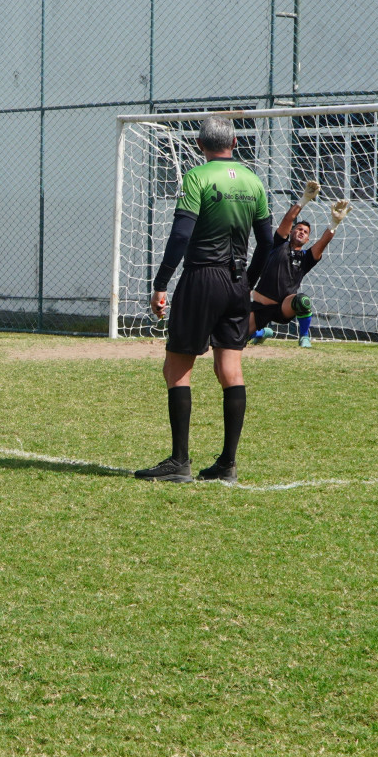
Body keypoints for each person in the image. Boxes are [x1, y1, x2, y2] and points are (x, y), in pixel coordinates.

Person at [135, 116, 273, 485]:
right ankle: (227, 464)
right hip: (237, 283)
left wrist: (161, 284)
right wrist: (248, 281)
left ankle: (180, 462)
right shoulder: (253, 181)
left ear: (200, 145)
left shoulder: (197, 177)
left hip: (201, 278)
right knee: (230, 371)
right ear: (235, 144)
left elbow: (181, 235)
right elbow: (267, 242)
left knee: (176, 369)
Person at [249, 189, 350, 349]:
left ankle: (304, 337)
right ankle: (261, 333)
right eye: (299, 229)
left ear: (307, 239)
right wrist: (304, 199)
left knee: (303, 301)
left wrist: (334, 223)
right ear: (291, 232)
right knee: (234, 335)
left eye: (305, 232)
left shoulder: (306, 258)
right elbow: (288, 219)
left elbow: (323, 242)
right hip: (260, 306)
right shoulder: (278, 244)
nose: (302, 232)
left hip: (283, 307)